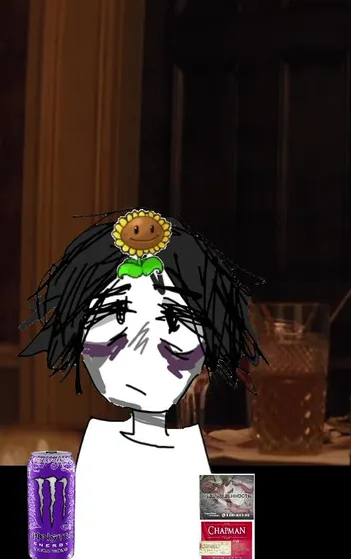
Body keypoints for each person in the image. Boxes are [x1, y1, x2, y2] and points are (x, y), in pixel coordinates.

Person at [20, 209, 264, 559]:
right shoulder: (80, 458)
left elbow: (230, 550)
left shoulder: (216, 465)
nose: (143, 343)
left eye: (174, 318)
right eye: (117, 313)